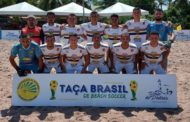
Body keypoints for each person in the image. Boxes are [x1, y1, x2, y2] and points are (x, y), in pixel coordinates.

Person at [125, 7, 149, 73]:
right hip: (132, 47)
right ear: (132, 14)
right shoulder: (128, 23)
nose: (136, 14)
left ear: (141, 13)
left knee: (142, 65)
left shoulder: (146, 22)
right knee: (134, 65)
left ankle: (141, 80)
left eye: (138, 12)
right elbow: (120, 27)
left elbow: (155, 23)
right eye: (135, 12)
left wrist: (168, 22)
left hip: (143, 47)